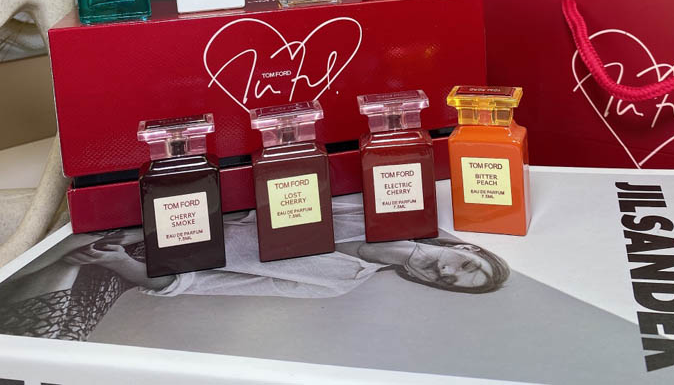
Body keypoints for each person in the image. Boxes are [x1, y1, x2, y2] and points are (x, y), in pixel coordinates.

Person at [0, 199, 509, 340]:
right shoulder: (377, 204)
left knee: (52, 326)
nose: (448, 271)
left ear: (426, 283)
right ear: (466, 247)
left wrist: (121, 261)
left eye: (452, 283)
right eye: (466, 265)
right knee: (75, 238)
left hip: (144, 261)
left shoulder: (333, 286)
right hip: (176, 203)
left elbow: (194, 283)